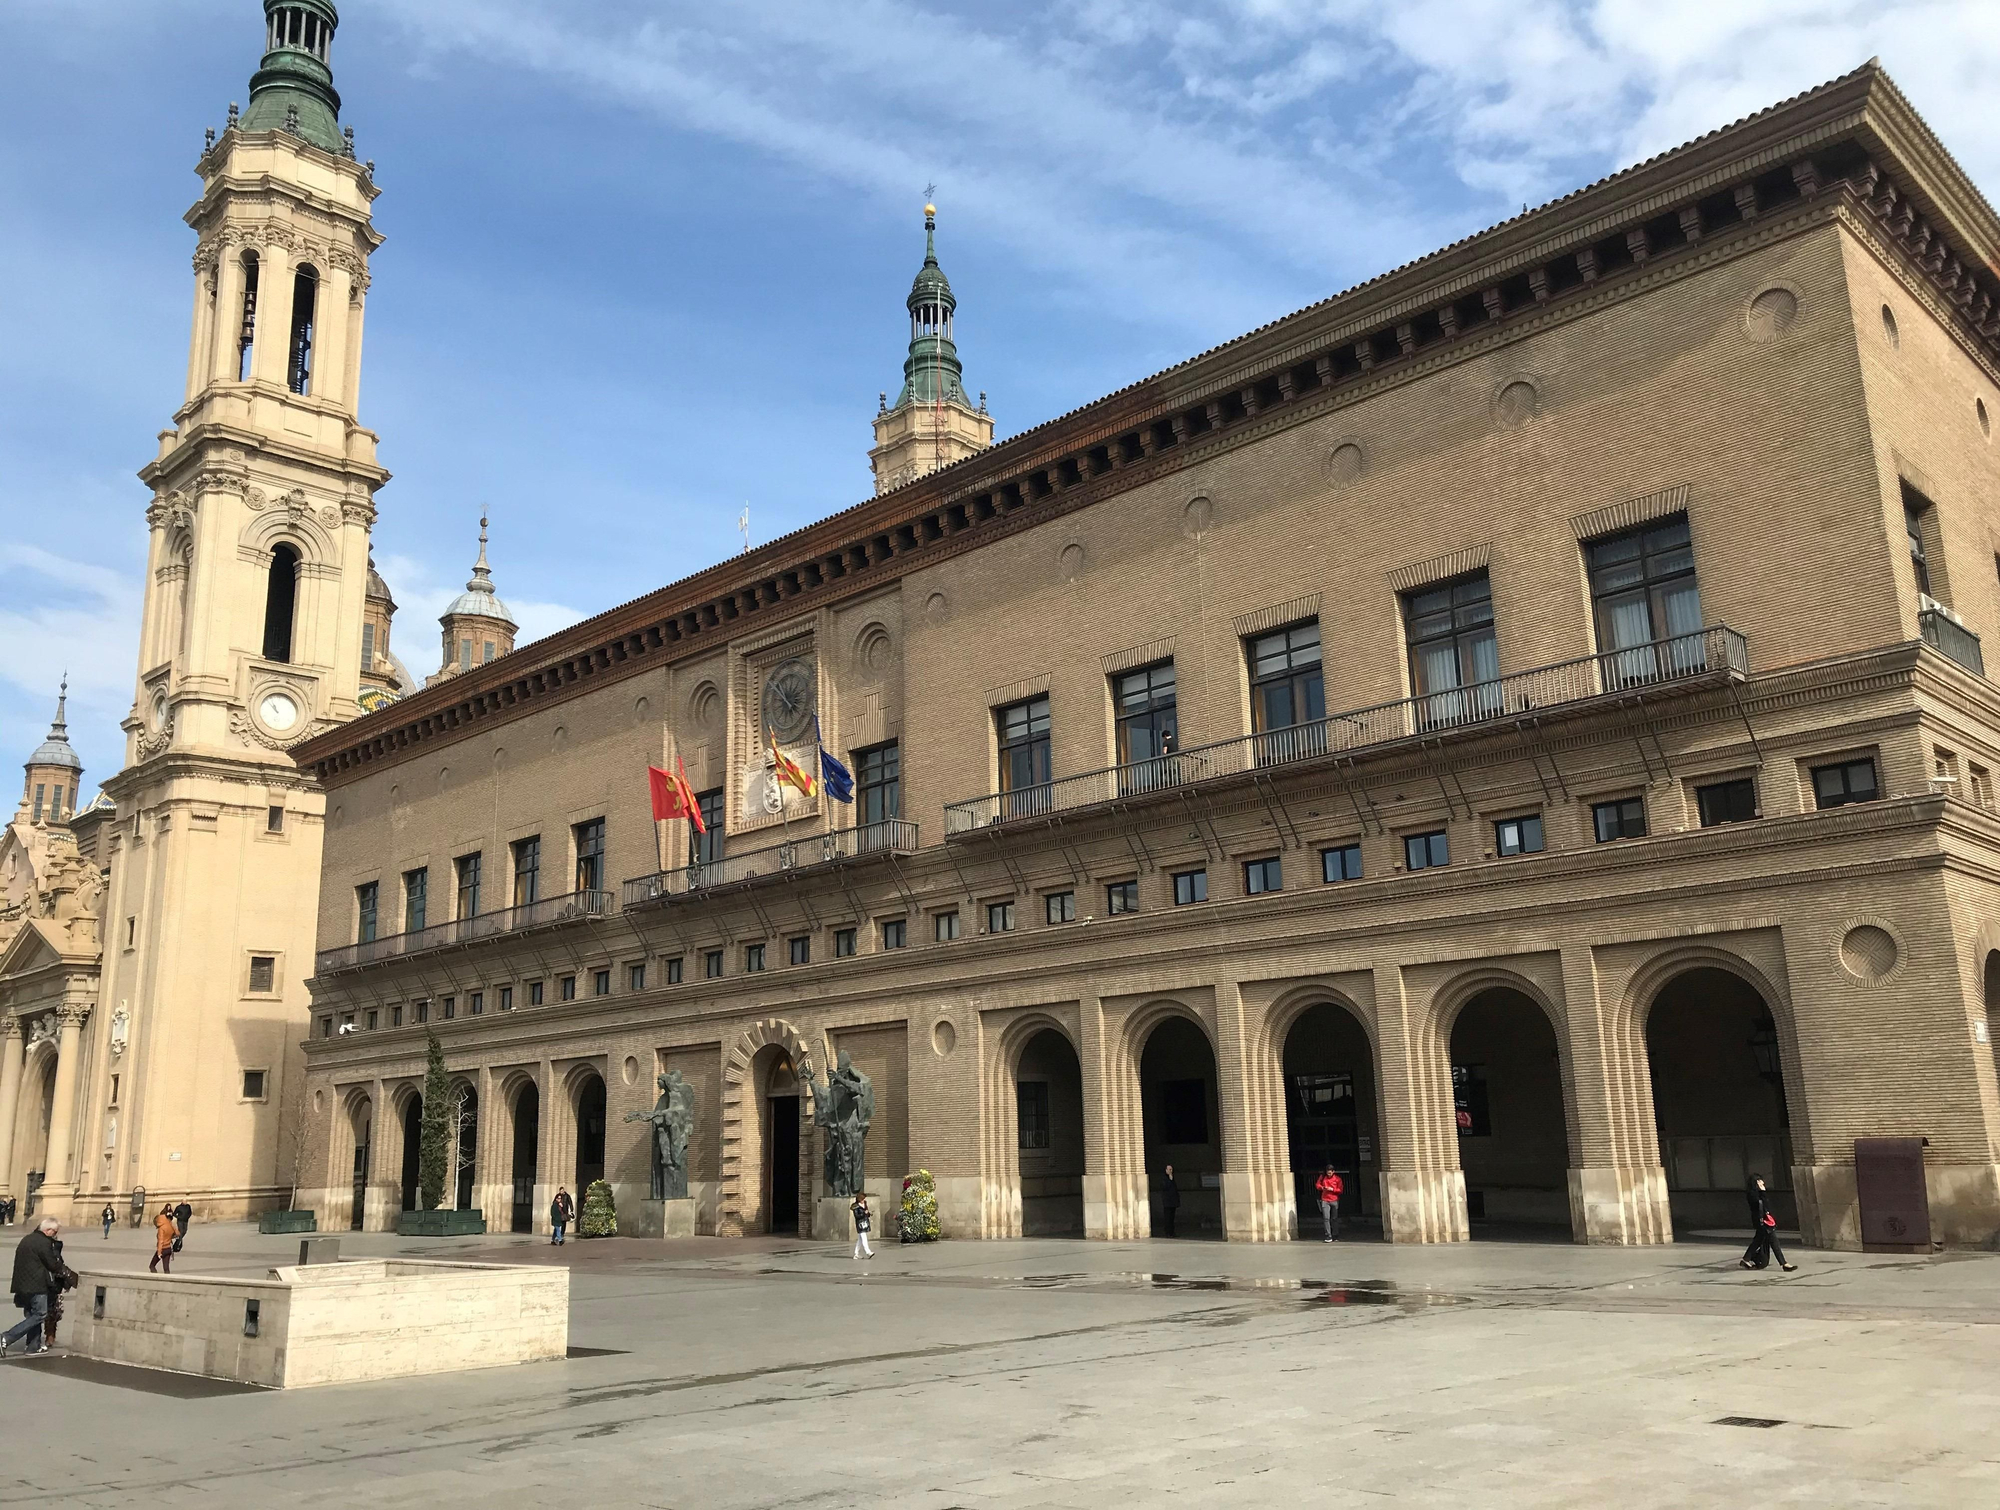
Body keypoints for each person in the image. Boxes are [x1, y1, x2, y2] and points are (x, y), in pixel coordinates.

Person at [2, 1218, 65, 1357]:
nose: (55, 1235)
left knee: (31, 1314)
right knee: (40, 1314)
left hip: (22, 1284)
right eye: (55, 1232)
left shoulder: (27, 1239)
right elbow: (53, 1264)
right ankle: (6, 1337)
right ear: (48, 1230)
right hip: (37, 1284)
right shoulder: (44, 1243)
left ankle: (33, 1346)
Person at [1740, 1174, 1796, 1272]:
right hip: (1762, 1221)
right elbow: (1760, 1204)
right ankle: (1784, 1264)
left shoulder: (1758, 1193)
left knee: (1757, 1241)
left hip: (1764, 1220)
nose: (1763, 1182)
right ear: (1756, 1182)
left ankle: (1746, 1259)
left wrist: (1762, 1192)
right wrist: (1763, 1192)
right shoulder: (1752, 1194)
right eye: (1760, 1181)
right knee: (1774, 1242)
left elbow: (1766, 1205)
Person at [1314, 1165, 1345, 1242]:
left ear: (1333, 1172)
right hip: (1325, 1199)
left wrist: (1333, 1189)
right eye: (1328, 1172)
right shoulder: (1323, 1177)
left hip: (1334, 1199)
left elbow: (1340, 1190)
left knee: (1334, 1218)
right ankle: (1328, 1235)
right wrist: (1322, 1187)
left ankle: (1335, 1234)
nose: (1329, 1174)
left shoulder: (1337, 1179)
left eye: (1330, 1173)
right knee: (1326, 1218)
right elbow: (1317, 1185)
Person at [149, 1204, 178, 1274]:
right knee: (166, 1268)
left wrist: (159, 1252)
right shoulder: (170, 1224)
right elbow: (177, 1233)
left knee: (152, 1265)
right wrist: (171, 1236)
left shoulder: (161, 1229)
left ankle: (155, 1279)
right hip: (168, 1249)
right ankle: (168, 1282)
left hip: (163, 1249)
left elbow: (160, 1241)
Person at [850, 1193, 874, 1261]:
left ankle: (856, 1254)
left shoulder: (865, 1204)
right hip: (860, 1224)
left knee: (860, 1239)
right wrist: (863, 1213)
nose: (863, 1200)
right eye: (862, 1199)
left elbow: (867, 1213)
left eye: (864, 1199)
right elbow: (857, 1216)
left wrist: (868, 1213)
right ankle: (868, 1252)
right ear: (859, 1199)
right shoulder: (855, 1206)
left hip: (865, 1222)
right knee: (864, 1237)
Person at [1159, 1164, 1180, 1238]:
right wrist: (1170, 1180)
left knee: (1172, 1218)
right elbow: (1165, 1187)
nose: (1170, 1171)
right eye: (1169, 1169)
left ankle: (1172, 1232)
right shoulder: (1164, 1179)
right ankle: (1167, 1232)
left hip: (1173, 1202)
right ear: (1166, 1170)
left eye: (1171, 1169)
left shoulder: (1173, 1178)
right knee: (1167, 1218)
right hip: (1167, 1202)